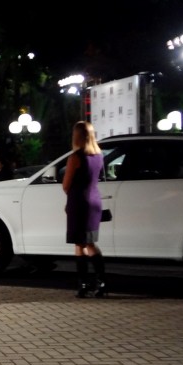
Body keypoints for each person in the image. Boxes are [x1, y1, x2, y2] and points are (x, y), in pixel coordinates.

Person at [63, 120, 106, 298]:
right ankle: (101, 282)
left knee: (79, 244)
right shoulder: (99, 155)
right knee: (90, 243)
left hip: (79, 201)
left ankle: (83, 284)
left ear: (77, 136)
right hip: (94, 200)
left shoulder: (75, 157)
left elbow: (66, 185)